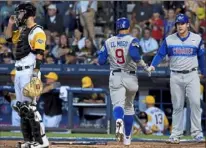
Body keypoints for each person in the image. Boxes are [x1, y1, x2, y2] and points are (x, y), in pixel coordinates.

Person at [147, 14, 205, 143]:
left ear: (188, 24)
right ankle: (176, 134)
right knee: (177, 105)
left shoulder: (196, 38)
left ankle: (197, 133)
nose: (180, 26)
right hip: (176, 75)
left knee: (195, 103)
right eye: (178, 24)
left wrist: (204, 72)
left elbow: (202, 57)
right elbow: (160, 54)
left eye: (182, 23)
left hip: (192, 74)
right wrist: (152, 66)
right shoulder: (169, 39)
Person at [98, 17, 150, 146]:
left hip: (116, 75)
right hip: (131, 77)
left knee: (118, 106)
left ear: (117, 27)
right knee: (129, 107)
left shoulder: (109, 41)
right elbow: (136, 56)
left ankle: (119, 121)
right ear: (128, 28)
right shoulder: (132, 40)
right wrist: (145, 66)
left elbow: (100, 61)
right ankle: (127, 138)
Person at [4, 2, 49, 148]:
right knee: (21, 108)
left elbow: (40, 54)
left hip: (30, 71)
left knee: (31, 108)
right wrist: (11, 24)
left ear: (28, 14)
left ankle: (42, 142)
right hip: (19, 71)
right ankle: (29, 141)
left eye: (20, 13)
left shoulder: (37, 31)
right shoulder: (22, 30)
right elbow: (8, 38)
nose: (18, 15)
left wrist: (35, 74)